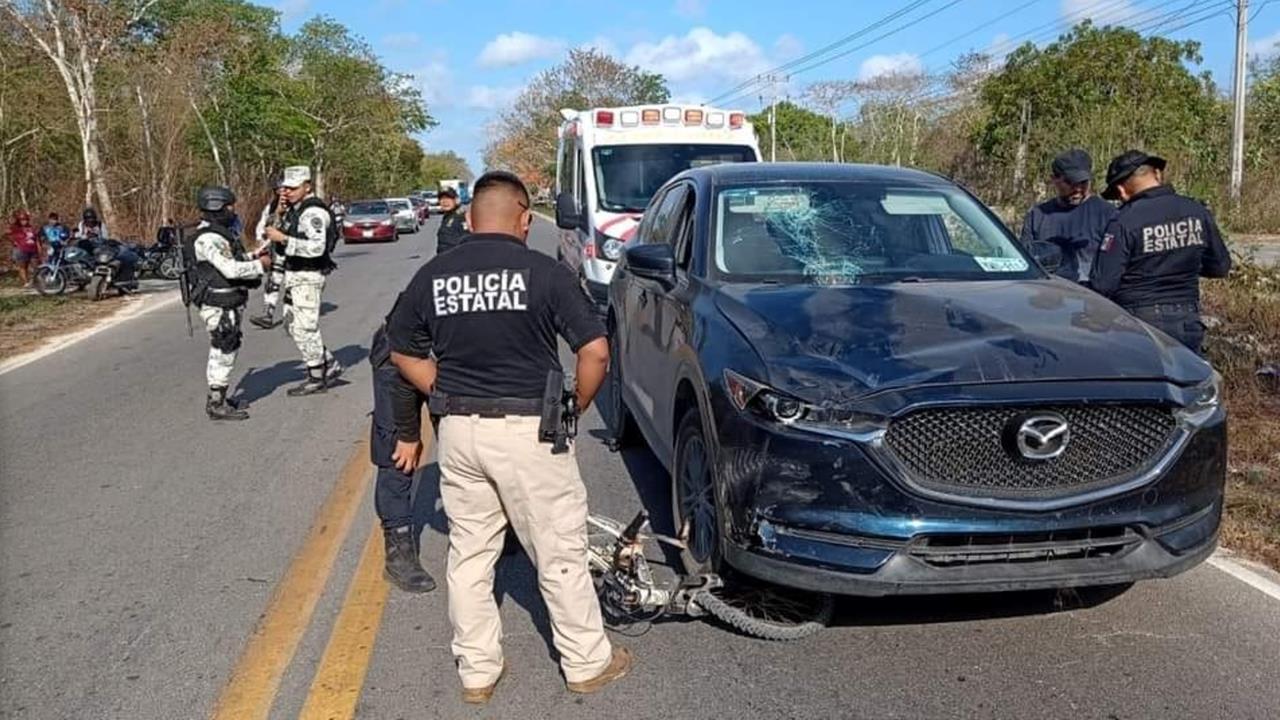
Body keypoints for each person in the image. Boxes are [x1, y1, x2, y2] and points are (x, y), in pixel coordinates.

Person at [387, 171, 629, 704]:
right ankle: (587, 662)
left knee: (471, 556)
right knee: (558, 548)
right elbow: (596, 352)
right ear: (524, 220)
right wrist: (576, 406)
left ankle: (477, 672)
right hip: (530, 433)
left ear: (470, 220)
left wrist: (441, 390)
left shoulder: (434, 275)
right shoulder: (544, 273)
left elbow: (400, 349)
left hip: (460, 433)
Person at [1091, 150, 1232, 354]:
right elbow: (1220, 267)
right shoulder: (1196, 211)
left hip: (1139, 321)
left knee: (1143, 383)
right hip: (1186, 319)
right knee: (1187, 380)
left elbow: (1103, 284)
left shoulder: (1123, 221)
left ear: (1121, 190)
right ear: (1157, 174)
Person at [367, 301, 437, 593]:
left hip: (460, 356)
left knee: (475, 442)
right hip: (402, 348)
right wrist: (410, 435)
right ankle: (399, 548)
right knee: (397, 447)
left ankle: (500, 526)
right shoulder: (439, 278)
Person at [187, 186, 269, 420]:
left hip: (228, 300)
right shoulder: (209, 238)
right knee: (223, 348)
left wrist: (255, 255)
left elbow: (235, 259)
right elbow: (230, 268)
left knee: (228, 347)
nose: (233, 211)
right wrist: (260, 266)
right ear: (217, 207)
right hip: (218, 303)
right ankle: (216, 402)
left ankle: (221, 397)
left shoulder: (220, 234)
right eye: (229, 207)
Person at [264, 166, 343, 395]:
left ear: (307, 186)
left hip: (308, 275)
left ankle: (317, 375)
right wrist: (278, 212)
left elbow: (316, 248)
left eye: (292, 188)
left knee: (306, 328)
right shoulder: (292, 209)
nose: (286, 192)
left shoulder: (313, 212)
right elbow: (269, 231)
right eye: (284, 188)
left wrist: (285, 240)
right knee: (291, 325)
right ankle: (327, 362)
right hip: (294, 274)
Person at [1019, 148, 1117, 285]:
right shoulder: (1037, 216)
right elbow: (1025, 261)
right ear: (1054, 180)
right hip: (1048, 293)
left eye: (1083, 183)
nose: (1078, 189)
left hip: (1090, 296)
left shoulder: (1108, 214)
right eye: (1070, 183)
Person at [250, 182, 288, 330]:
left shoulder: (299, 207)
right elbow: (262, 226)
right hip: (277, 250)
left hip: (295, 251)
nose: (282, 192)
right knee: (273, 282)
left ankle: (291, 315)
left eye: (284, 189)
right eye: (279, 189)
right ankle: (268, 314)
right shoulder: (271, 207)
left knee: (293, 284)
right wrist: (262, 239)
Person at [8, 210, 41, 287]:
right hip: (21, 249)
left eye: (26, 219)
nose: (24, 221)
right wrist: (14, 242)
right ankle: (26, 282)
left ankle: (35, 281)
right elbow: (8, 234)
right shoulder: (15, 228)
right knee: (23, 266)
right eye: (22, 220)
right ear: (19, 220)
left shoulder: (31, 228)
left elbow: (36, 238)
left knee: (36, 265)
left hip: (32, 249)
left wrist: (39, 248)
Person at [435, 187, 466, 255]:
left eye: (448, 198)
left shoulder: (461, 217)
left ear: (456, 200)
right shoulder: (447, 217)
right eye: (442, 198)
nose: (445, 201)